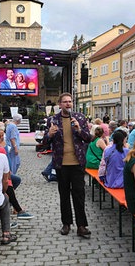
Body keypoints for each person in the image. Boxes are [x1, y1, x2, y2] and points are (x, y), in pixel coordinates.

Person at [42, 92, 92, 238]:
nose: (68, 104)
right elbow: (44, 143)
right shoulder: (53, 120)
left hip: (77, 163)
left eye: (70, 101)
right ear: (59, 104)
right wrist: (49, 134)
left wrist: (79, 129)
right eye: (65, 102)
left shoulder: (80, 118)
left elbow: (88, 138)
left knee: (79, 195)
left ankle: (81, 226)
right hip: (61, 163)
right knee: (64, 195)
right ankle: (66, 223)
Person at [0, 129, 34, 220]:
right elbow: (4, 167)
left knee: (12, 182)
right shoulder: (0, 150)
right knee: (9, 183)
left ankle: (17, 208)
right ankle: (18, 209)